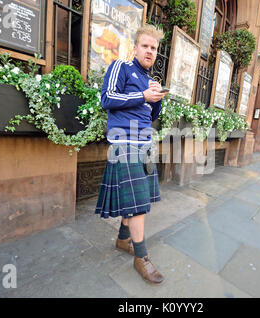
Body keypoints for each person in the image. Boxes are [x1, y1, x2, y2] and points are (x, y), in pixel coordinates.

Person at [94, 25, 167, 284]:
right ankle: (141, 257)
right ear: (135, 48)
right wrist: (142, 95)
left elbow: (152, 116)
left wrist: (156, 101)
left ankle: (123, 239)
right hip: (125, 142)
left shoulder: (150, 80)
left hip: (144, 142)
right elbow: (107, 98)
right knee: (137, 203)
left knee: (139, 197)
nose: (150, 51)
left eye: (154, 48)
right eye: (145, 46)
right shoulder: (120, 67)